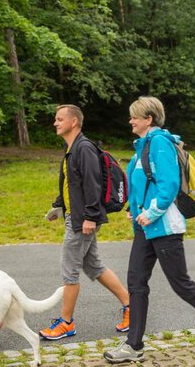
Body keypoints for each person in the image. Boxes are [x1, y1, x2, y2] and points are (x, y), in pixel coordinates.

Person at [104, 96, 195, 364]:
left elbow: (167, 185)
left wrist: (151, 212)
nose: (130, 120)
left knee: (181, 284)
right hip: (145, 227)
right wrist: (135, 212)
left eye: (135, 116)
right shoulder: (143, 146)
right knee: (136, 283)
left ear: (149, 119)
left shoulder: (159, 143)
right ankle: (134, 345)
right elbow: (143, 184)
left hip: (164, 226)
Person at [40, 104, 131, 340]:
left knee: (69, 272)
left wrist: (91, 216)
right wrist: (58, 206)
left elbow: (93, 185)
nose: (55, 123)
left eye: (60, 119)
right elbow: (72, 184)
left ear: (74, 122)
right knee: (94, 266)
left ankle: (66, 323)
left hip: (83, 220)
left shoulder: (84, 148)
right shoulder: (71, 148)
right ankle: (132, 306)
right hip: (77, 216)